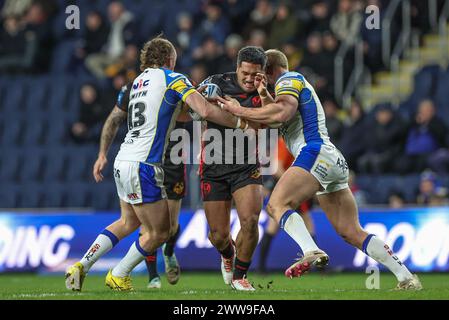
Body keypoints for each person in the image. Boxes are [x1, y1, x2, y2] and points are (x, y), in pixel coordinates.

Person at [218, 49, 422, 290]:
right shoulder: (281, 89)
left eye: (260, 75)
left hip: (314, 152)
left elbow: (282, 112)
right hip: (331, 160)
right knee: (351, 231)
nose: (255, 81)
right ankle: (406, 277)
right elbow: (273, 118)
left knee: (276, 205)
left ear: (269, 71)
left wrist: (238, 109)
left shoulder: (289, 80)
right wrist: (259, 98)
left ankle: (310, 249)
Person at [65, 36, 247, 292]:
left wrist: (102, 153)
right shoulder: (174, 79)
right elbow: (203, 111)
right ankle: (119, 273)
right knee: (161, 232)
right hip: (145, 165)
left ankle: (81, 265)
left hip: (123, 160)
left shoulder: (136, 84)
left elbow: (173, 113)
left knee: (128, 222)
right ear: (170, 59)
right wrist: (239, 121)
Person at [199, 46, 267, 291]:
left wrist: (235, 112)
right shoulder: (217, 82)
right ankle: (228, 254)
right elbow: (192, 106)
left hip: (245, 165)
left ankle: (240, 276)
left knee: (250, 221)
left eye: (255, 74)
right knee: (218, 236)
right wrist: (203, 99)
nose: (250, 79)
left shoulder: (265, 92)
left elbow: (263, 126)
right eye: (245, 73)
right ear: (237, 67)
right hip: (213, 166)